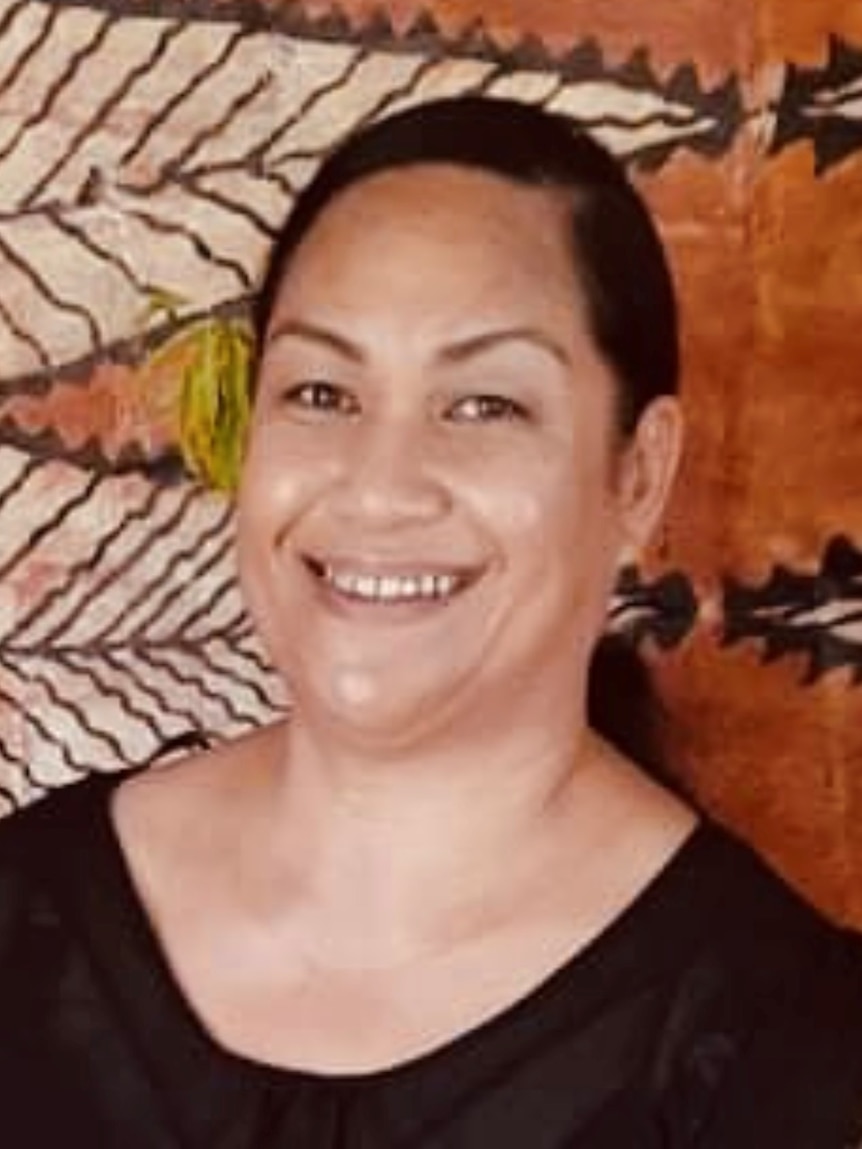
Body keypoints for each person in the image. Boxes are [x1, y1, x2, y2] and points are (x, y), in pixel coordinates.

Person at [0, 95, 860, 1148]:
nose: (378, 487)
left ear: (636, 475)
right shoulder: (25, 917)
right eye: (320, 392)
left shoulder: (790, 1047)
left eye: (483, 405)